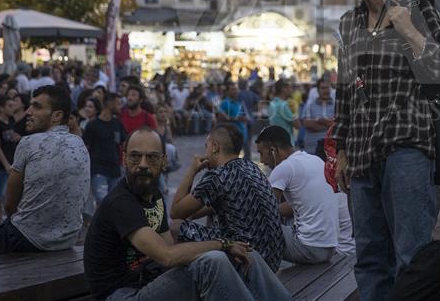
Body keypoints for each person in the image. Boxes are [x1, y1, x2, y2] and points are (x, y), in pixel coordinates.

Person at [332, 0, 440, 301]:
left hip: (409, 145)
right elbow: (346, 90)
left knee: (412, 255)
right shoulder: (348, 22)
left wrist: (408, 30)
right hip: (360, 151)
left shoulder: (419, 10)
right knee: (369, 256)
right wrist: (340, 148)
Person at [83, 126, 291, 301]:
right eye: (135, 157)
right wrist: (224, 245)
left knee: (246, 252)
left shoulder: (153, 195)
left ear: (164, 161)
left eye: (152, 157)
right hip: (123, 295)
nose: (143, 164)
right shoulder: (120, 202)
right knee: (214, 260)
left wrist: (226, 248)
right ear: (124, 159)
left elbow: (170, 245)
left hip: (148, 281)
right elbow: (167, 255)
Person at [0, 85, 90, 256]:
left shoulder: (28, 143)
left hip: (28, 239)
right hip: (67, 240)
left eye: (37, 106)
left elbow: (9, 204)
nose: (28, 111)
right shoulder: (79, 144)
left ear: (56, 116)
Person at [171, 124, 285, 272]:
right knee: (210, 215)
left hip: (248, 259)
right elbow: (200, 210)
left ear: (215, 147)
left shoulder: (218, 176)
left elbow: (175, 213)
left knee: (176, 227)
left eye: (206, 146)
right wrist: (192, 213)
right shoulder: (251, 167)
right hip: (272, 259)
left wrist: (191, 171)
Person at [255, 125, 337, 265]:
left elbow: (263, 210)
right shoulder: (315, 160)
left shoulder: (284, 168)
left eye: (261, 153)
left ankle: (261, 280)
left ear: (273, 151)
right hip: (329, 248)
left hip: (309, 249)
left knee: (253, 225)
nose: (262, 160)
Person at [84, 92, 127, 205]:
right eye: (118, 103)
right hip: (98, 171)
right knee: (103, 201)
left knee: (114, 203)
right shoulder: (92, 125)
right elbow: (85, 148)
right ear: (110, 104)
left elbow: (125, 143)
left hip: (115, 171)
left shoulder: (117, 123)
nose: (120, 107)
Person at [0, 95, 20, 225]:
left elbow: (12, 137)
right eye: (9, 105)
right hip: (1, 165)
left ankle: (10, 219)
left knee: (11, 193)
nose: (12, 108)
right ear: (1, 108)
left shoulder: (12, 121)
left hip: (13, 162)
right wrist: (6, 164)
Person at [301, 80, 335, 158]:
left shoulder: (336, 105)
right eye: (323, 88)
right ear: (318, 90)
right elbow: (307, 124)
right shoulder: (310, 104)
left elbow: (338, 123)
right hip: (312, 148)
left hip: (331, 150)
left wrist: (320, 120)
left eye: (327, 88)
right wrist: (329, 124)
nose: (326, 90)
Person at [268, 79, 297, 145]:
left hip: (276, 143)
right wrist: (293, 110)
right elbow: (297, 125)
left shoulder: (272, 103)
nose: (291, 90)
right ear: (283, 89)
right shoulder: (283, 105)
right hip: (286, 145)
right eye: (290, 87)